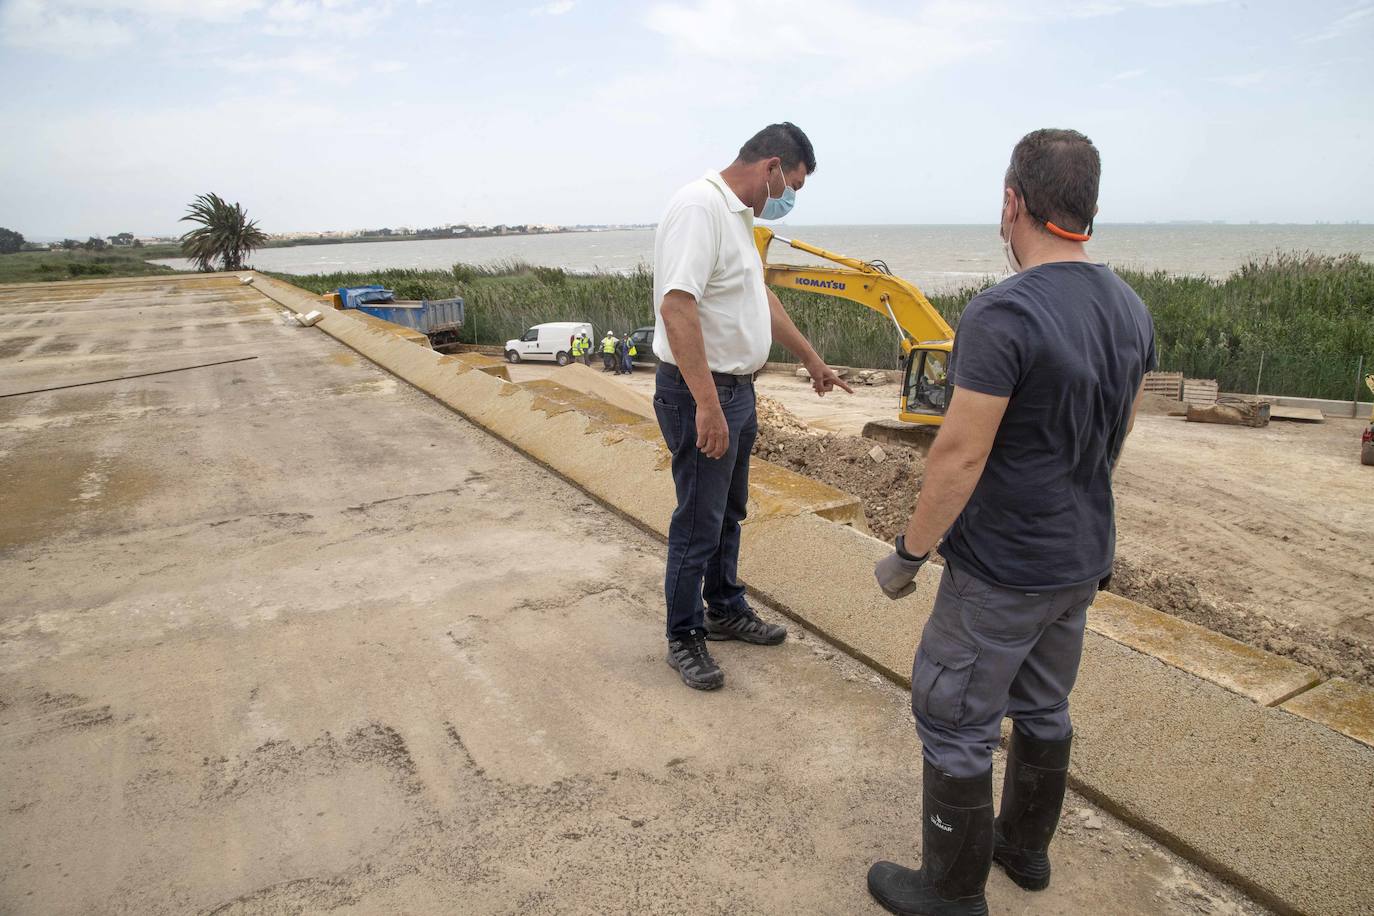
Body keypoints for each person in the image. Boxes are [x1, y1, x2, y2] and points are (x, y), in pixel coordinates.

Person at [865, 129, 1156, 916]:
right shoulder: (1131, 308)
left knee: (953, 714)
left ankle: (951, 894)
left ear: (1012, 203)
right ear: (1088, 208)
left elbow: (957, 456)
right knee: (1044, 706)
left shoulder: (1004, 312)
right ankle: (1023, 849)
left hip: (1002, 572)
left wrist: (909, 554)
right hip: (1080, 561)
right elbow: (1114, 438)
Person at [653, 122, 852, 691]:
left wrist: (812, 359)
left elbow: (758, 297)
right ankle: (683, 634)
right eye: (791, 185)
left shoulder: (738, 217)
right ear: (770, 168)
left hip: (737, 391)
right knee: (697, 520)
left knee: (729, 512)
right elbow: (677, 308)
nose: (788, 199)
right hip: (703, 394)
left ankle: (723, 607)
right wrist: (708, 407)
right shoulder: (699, 208)